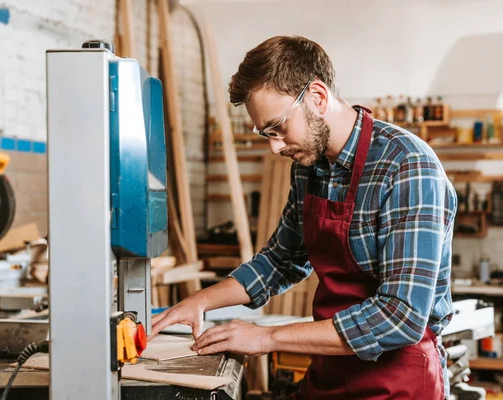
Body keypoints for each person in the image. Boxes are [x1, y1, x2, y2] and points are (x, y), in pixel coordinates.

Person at [151, 35, 457, 399]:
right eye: (266, 133)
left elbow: (400, 316)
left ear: (317, 97)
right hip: (331, 369)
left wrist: (267, 337)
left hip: (398, 380)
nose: (275, 146)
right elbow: (282, 259)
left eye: (279, 127)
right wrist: (200, 300)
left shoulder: (406, 166)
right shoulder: (310, 166)